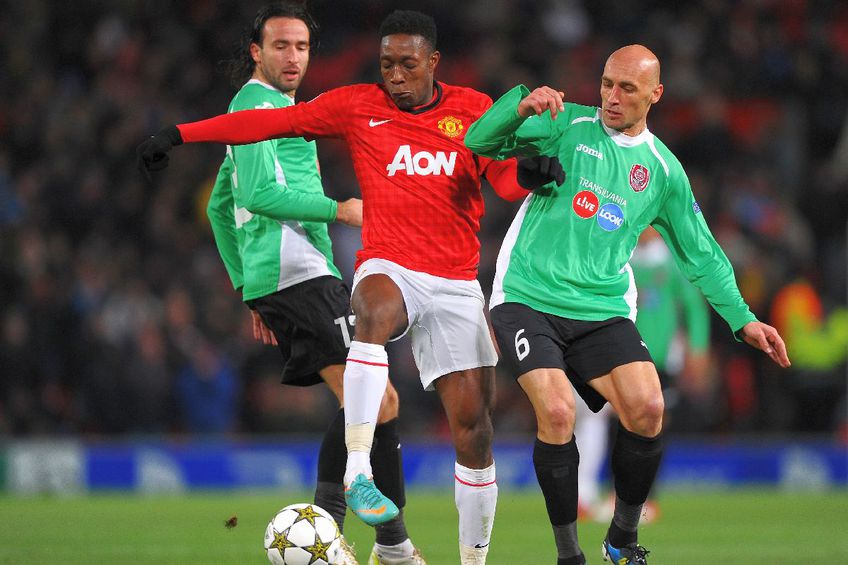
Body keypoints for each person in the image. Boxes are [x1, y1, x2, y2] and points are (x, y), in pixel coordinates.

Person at [137, 10, 532, 565]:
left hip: (451, 279)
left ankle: (422, 551)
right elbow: (256, 147)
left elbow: (504, 180)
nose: (394, 75)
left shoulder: (473, 109)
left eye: (407, 64)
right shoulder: (343, 104)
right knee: (372, 320)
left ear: (433, 62)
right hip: (372, 265)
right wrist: (181, 134)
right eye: (386, 63)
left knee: (470, 430)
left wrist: (532, 175)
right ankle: (357, 482)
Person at [464, 44, 791, 565]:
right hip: (527, 295)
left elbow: (701, 252)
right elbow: (478, 141)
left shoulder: (662, 171)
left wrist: (743, 320)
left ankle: (622, 539)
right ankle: (569, 555)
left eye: (628, 89)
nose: (612, 97)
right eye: (607, 84)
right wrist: (519, 107)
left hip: (602, 307)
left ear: (655, 95)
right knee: (556, 410)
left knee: (648, 408)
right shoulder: (565, 123)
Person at [203, 4, 421, 564]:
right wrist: (340, 209)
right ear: (256, 51)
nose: (293, 56)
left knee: (375, 400)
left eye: (301, 46)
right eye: (280, 46)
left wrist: (247, 285)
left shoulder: (284, 109)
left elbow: (218, 207)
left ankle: (374, 544)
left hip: (296, 274)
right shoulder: (254, 105)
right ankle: (383, 548)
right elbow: (253, 195)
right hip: (293, 272)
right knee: (375, 399)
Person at [575, 226, 711, 522]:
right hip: (623, 356)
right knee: (618, 423)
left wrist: (698, 349)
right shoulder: (623, 257)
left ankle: (650, 497)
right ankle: (621, 494)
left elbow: (694, 308)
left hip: (661, 360)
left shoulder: (673, 264)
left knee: (654, 426)